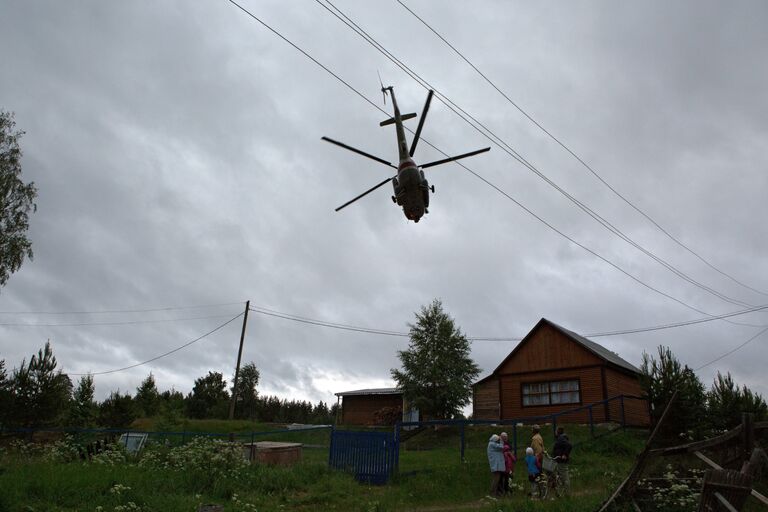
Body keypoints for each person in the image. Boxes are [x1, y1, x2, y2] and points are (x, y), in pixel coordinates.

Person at [551, 426, 573, 496]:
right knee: (560, 476)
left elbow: (569, 445)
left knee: (564, 477)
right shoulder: (561, 438)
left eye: (556, 430)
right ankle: (560, 492)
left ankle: (567, 494)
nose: (555, 432)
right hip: (559, 460)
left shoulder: (561, 438)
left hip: (561, 461)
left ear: (558, 431)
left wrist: (565, 454)